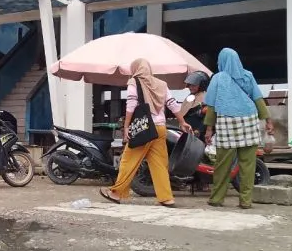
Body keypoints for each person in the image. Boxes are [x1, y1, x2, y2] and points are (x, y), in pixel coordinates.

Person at [100, 59, 193, 207]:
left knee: (128, 161)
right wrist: (182, 122)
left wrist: (126, 126)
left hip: (143, 129)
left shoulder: (134, 82)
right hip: (161, 129)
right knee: (159, 165)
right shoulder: (162, 84)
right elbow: (172, 104)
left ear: (136, 69)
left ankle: (116, 193)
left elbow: (131, 105)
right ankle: (167, 198)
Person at [203, 48, 273, 209]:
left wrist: (208, 129)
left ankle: (217, 198)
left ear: (222, 61)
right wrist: (268, 121)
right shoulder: (247, 75)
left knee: (222, 164)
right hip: (249, 121)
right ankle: (246, 201)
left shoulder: (218, 79)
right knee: (248, 165)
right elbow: (258, 99)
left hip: (227, 122)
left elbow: (212, 106)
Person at [179, 70, 210, 137]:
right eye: (190, 85)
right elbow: (184, 112)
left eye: (194, 85)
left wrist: (199, 130)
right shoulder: (190, 96)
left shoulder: (206, 97)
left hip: (198, 134)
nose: (190, 87)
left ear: (202, 85)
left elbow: (208, 117)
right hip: (186, 131)